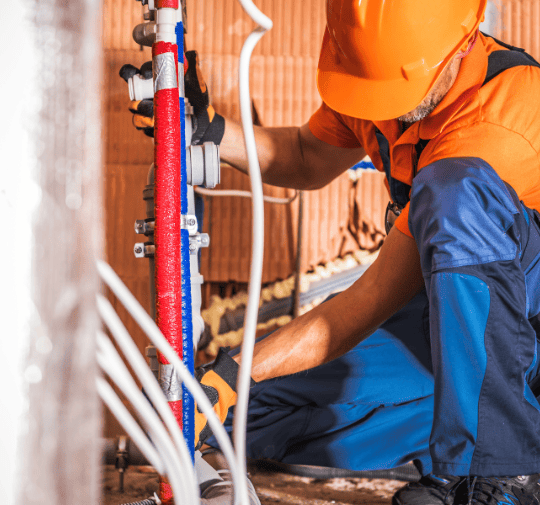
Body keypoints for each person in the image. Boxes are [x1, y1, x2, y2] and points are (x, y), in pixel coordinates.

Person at [122, 1, 540, 504]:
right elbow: (307, 155)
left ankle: (503, 474)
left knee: (454, 193)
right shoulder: (375, 81)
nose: (384, 107)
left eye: (397, 89)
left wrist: (235, 369)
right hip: (450, 335)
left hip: (521, 328)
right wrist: (213, 131)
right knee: (188, 411)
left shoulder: (503, 119)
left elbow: (365, 302)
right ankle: (467, 438)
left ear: (466, 39)